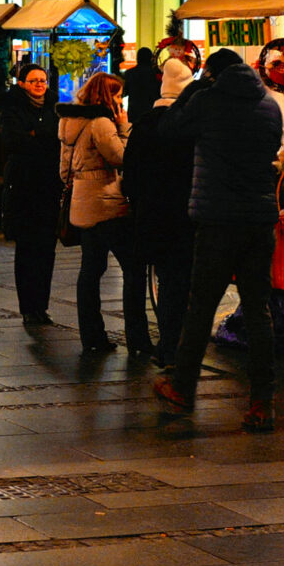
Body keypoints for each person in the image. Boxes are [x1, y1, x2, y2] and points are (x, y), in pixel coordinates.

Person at [152, 47, 284, 432]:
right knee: (258, 310)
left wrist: (192, 92)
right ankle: (263, 401)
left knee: (201, 307)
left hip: (218, 220)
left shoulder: (208, 101)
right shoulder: (269, 105)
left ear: (211, 74)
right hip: (260, 220)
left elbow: (169, 128)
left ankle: (182, 387)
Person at [121, 57, 198, 366]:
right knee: (183, 282)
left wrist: (140, 203)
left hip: (151, 216)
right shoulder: (188, 127)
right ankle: (178, 345)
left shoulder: (143, 126)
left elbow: (130, 172)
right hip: (184, 216)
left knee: (164, 281)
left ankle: (167, 345)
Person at [59, 71, 135, 355]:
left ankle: (92, 336)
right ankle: (137, 335)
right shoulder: (102, 123)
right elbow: (121, 157)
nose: (120, 100)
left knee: (90, 270)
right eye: (117, 95)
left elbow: (63, 170)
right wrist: (124, 127)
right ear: (106, 96)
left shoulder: (69, 121)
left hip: (82, 201)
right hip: (106, 200)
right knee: (133, 266)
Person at [0, 63, 61, 325]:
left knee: (47, 248)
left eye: (43, 80)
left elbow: (57, 138)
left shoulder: (54, 109)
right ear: (22, 83)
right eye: (33, 80)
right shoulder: (11, 108)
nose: (39, 85)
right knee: (27, 248)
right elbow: (14, 141)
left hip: (49, 186)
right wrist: (40, 137)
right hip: (23, 186)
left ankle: (41, 306)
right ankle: (28, 306)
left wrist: (36, 135)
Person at [122, 47, 160, 126]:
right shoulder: (156, 74)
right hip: (152, 112)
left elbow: (124, 92)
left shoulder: (129, 73)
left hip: (134, 112)